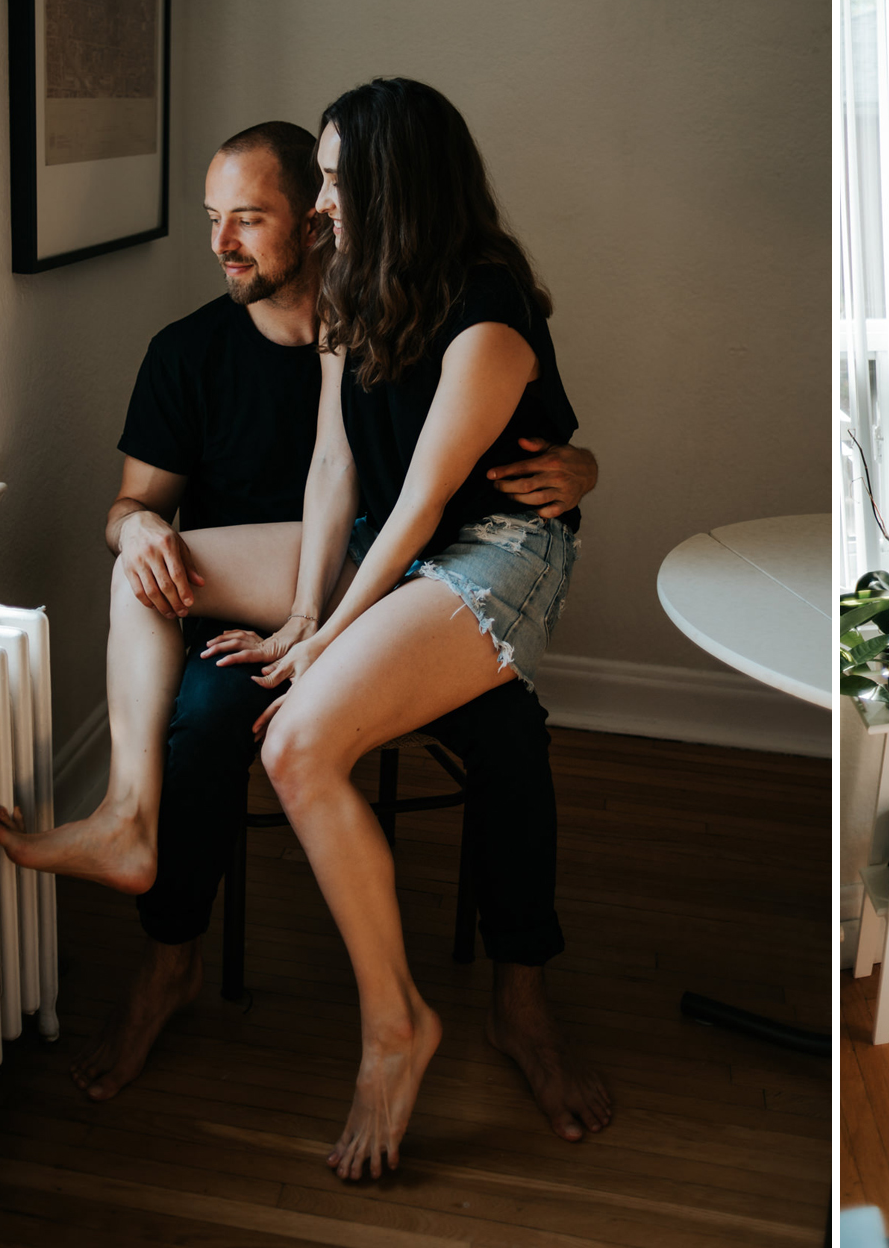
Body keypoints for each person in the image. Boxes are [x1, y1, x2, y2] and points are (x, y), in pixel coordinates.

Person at [0, 119, 613, 1145]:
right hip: (291, 591)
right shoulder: (189, 353)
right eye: (213, 220)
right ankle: (161, 936)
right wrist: (143, 526)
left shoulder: (393, 316)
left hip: (409, 579)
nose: (223, 242)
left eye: (251, 217)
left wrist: (577, 468)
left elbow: (464, 466)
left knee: (513, 742)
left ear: (321, 227)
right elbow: (147, 505)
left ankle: (520, 1005)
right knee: (196, 715)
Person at [184, 77, 590, 1180]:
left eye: (331, 179)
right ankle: (137, 817)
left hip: (498, 553)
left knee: (299, 740)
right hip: (394, 542)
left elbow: (421, 506)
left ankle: (392, 1030)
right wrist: (309, 608)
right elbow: (336, 465)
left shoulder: (492, 313)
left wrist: (317, 640)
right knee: (197, 612)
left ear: (392, 185)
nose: (318, 203)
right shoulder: (350, 292)